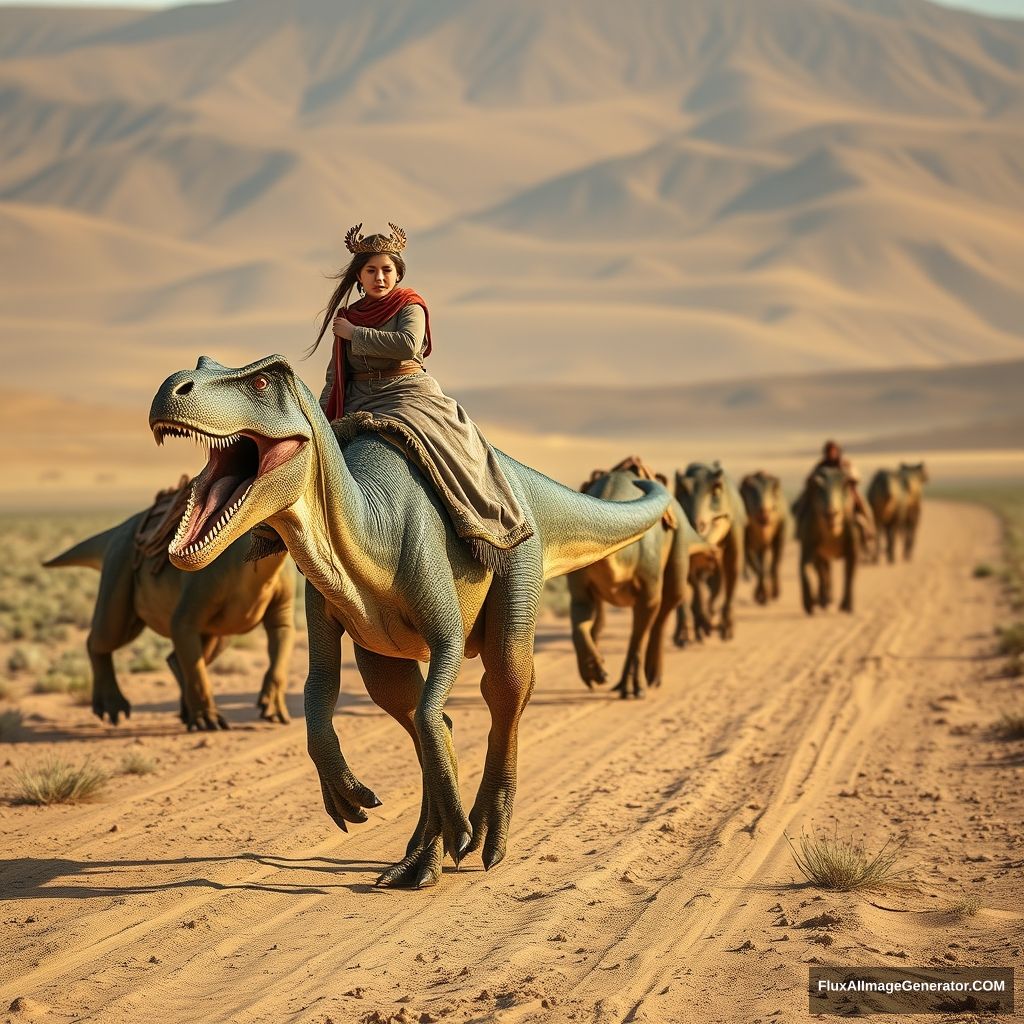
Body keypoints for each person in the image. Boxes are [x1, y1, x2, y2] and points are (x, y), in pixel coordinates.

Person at [309, 222, 532, 572]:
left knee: (453, 450)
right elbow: (336, 373)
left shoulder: (407, 306)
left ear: (398, 275)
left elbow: (407, 346)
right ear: (359, 277)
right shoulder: (347, 317)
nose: (379, 277)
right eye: (371, 270)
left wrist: (356, 333)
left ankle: (480, 521)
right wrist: (320, 419)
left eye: (387, 270)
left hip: (406, 393)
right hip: (358, 398)